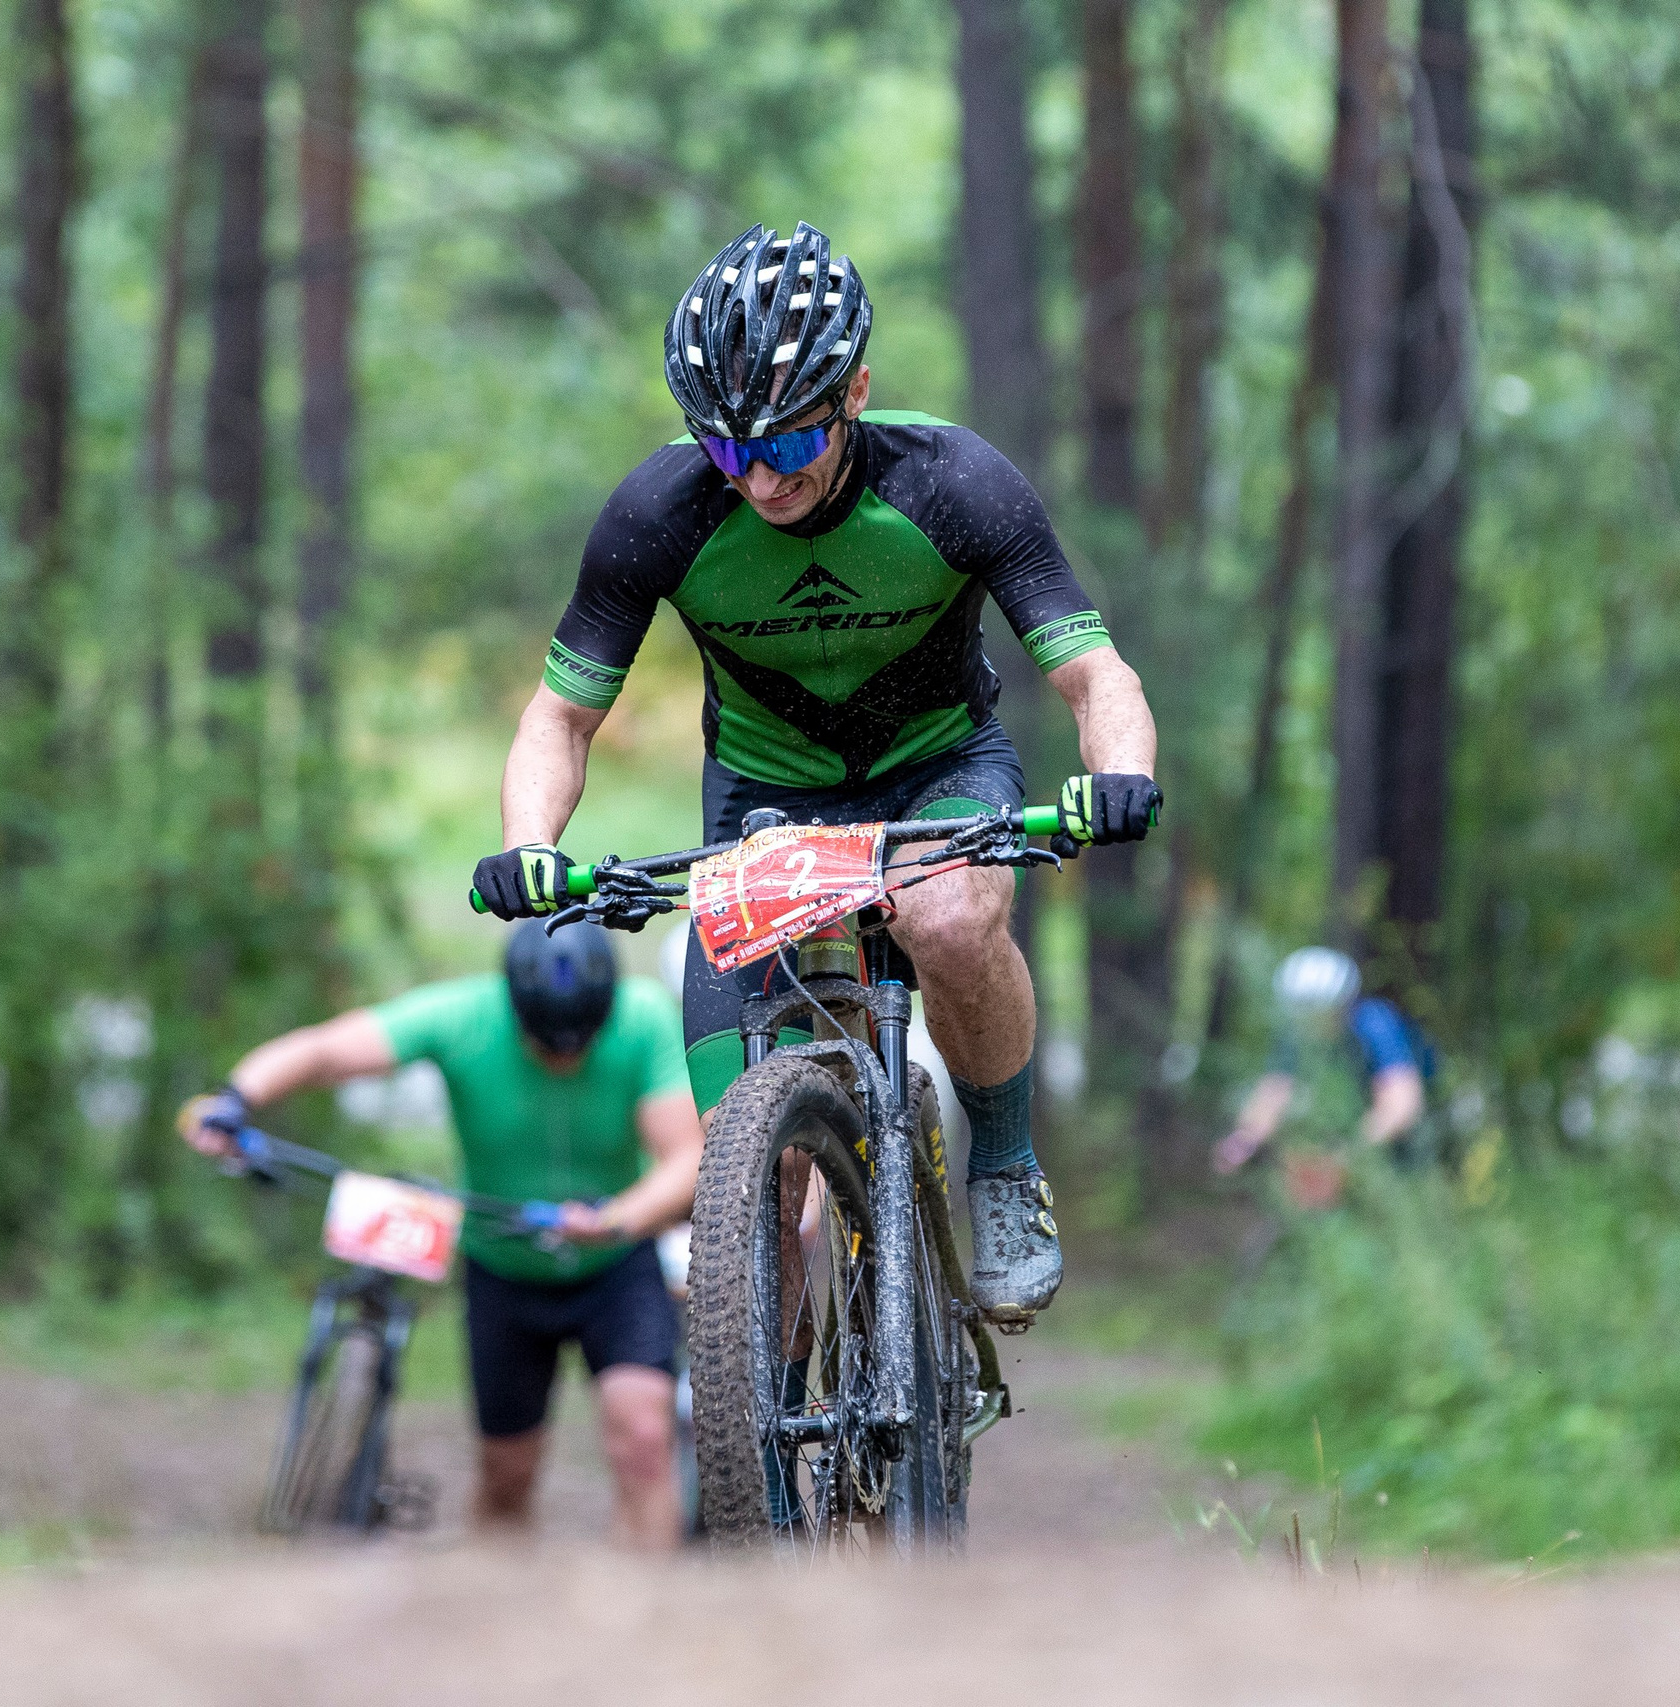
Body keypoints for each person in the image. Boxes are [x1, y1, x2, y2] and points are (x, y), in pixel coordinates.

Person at [470, 221, 1161, 1330]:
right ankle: (777, 1456)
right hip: (762, 806)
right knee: (749, 1233)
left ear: (854, 396)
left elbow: (1094, 674)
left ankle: (1004, 1171)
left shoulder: (954, 483)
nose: (756, 482)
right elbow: (559, 718)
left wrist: (1117, 775)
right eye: (726, 451)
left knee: (945, 918)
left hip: (938, 769)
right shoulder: (660, 513)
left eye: (785, 447)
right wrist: (529, 850)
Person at [175, 921, 702, 1551]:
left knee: (644, 1441)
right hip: (501, 1273)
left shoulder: (643, 1019)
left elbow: (686, 1157)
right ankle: (491, 1621)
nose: (565, 1057)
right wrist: (236, 1098)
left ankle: (647, 1617)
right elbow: (325, 1050)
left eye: (582, 1041)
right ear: (512, 1010)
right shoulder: (461, 1017)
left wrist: (618, 1216)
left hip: (616, 1267)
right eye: (545, 1042)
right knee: (507, 1474)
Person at [1210, 947, 1438, 1179]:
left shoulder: (1376, 1023)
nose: (1308, 1021)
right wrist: (1244, 1141)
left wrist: (1343, 1158)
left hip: (1421, 1144)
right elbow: (1273, 1094)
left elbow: (1402, 1108)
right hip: (1354, 1143)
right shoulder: (1295, 1035)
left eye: (1317, 1012)